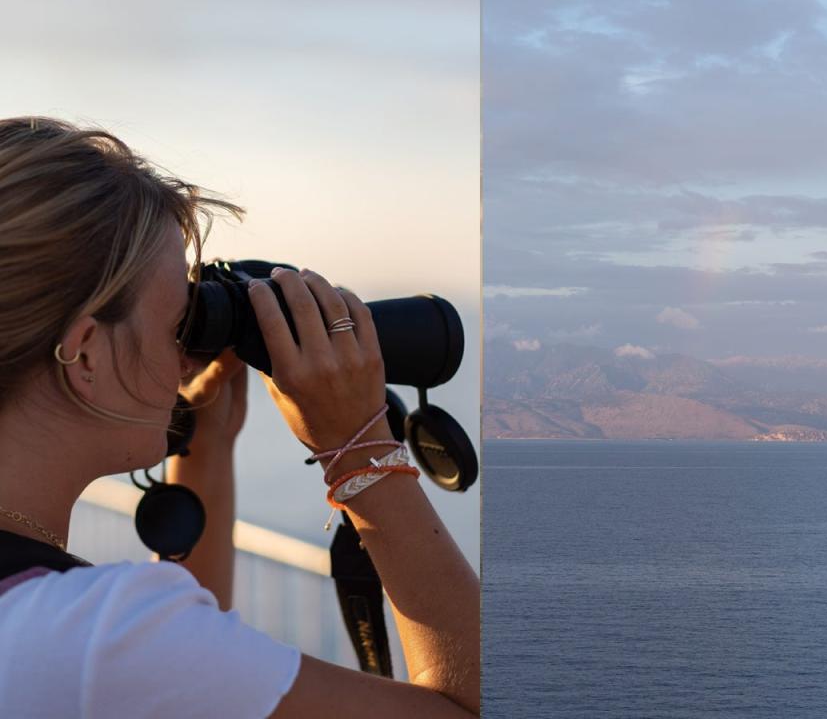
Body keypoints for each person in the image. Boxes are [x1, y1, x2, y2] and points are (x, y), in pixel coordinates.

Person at [0, 117, 480, 718]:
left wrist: (205, 444)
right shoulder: (100, 643)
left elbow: (180, 689)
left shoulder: (88, 641)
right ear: (86, 352)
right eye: (179, 319)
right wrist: (358, 449)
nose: (186, 349)